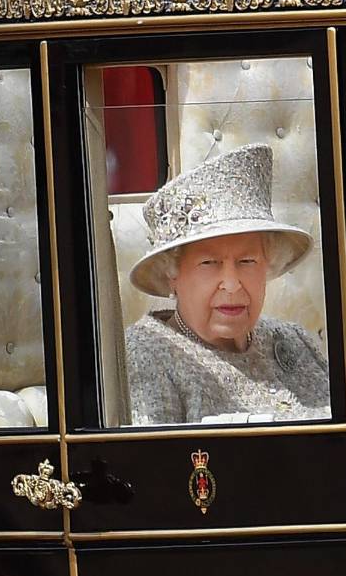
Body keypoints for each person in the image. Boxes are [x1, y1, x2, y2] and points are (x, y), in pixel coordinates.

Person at [124, 144, 329, 425]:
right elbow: (153, 464)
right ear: (172, 273)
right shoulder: (148, 353)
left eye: (247, 261)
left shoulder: (294, 340)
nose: (232, 285)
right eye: (209, 264)